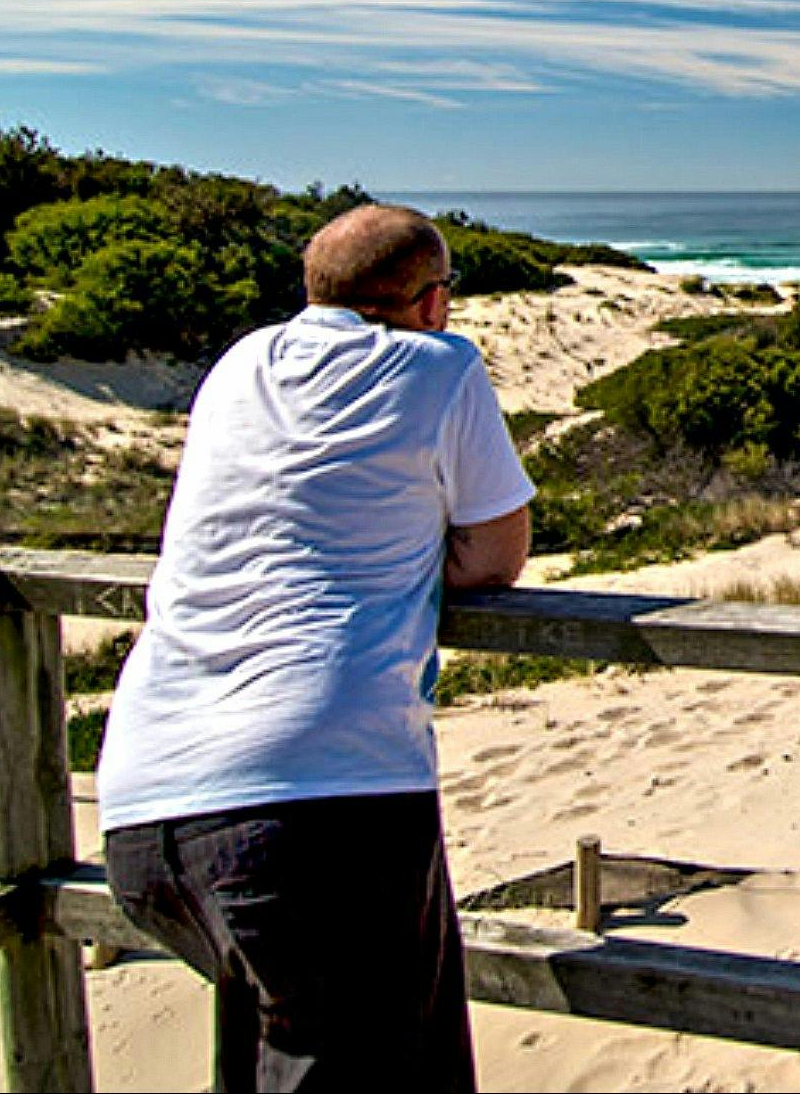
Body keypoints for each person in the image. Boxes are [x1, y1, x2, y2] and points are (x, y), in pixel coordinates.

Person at [97, 204, 533, 1093]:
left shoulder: (238, 365)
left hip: (145, 815)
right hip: (318, 804)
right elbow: (496, 553)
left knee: (274, 1050)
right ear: (431, 301)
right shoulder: (439, 365)